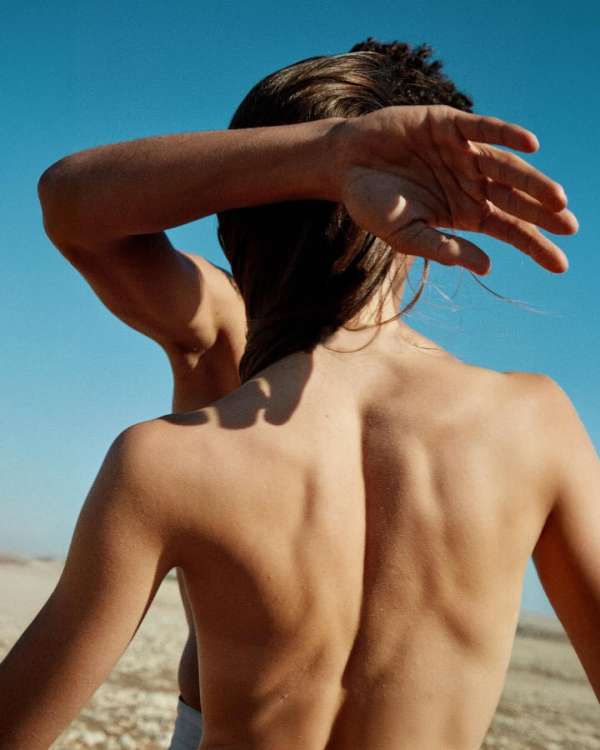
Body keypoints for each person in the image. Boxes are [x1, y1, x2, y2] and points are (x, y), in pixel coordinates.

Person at [1, 38, 597, 750]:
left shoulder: (173, 438)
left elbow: (70, 203)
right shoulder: (534, 423)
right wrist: (338, 155)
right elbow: (69, 203)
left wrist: (317, 159)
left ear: (233, 213)